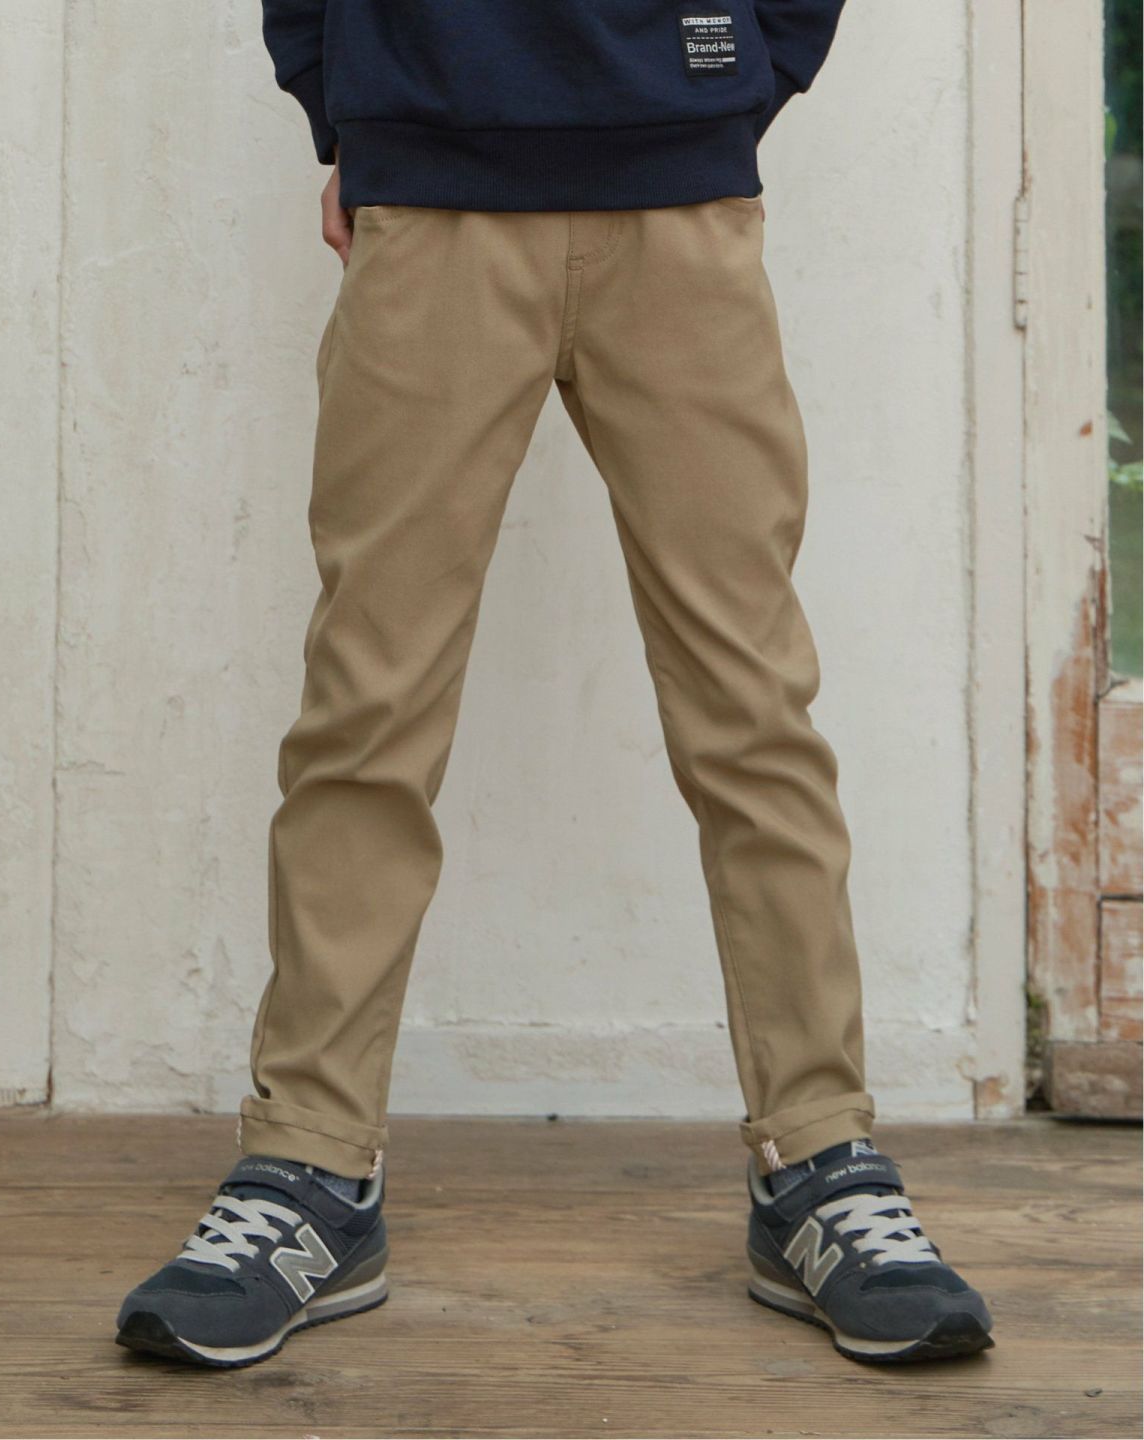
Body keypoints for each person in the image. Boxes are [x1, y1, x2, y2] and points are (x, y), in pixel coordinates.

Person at [115, 0, 993, 1369]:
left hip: (680, 199)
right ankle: (310, 1167)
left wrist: (725, 85)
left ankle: (818, 1161)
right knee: (367, 711)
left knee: (752, 710)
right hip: (430, 191)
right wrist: (351, 108)